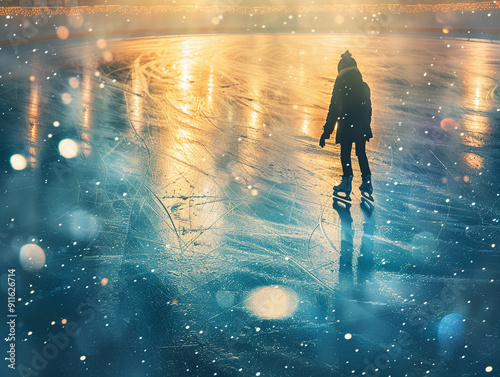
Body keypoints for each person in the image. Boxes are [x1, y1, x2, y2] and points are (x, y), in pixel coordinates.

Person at [319, 50, 373, 200]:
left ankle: (347, 182)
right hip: (361, 125)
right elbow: (368, 109)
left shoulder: (340, 85)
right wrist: (365, 125)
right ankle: (367, 182)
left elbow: (334, 108)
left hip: (346, 123)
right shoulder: (364, 86)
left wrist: (327, 131)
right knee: (361, 153)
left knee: (345, 153)